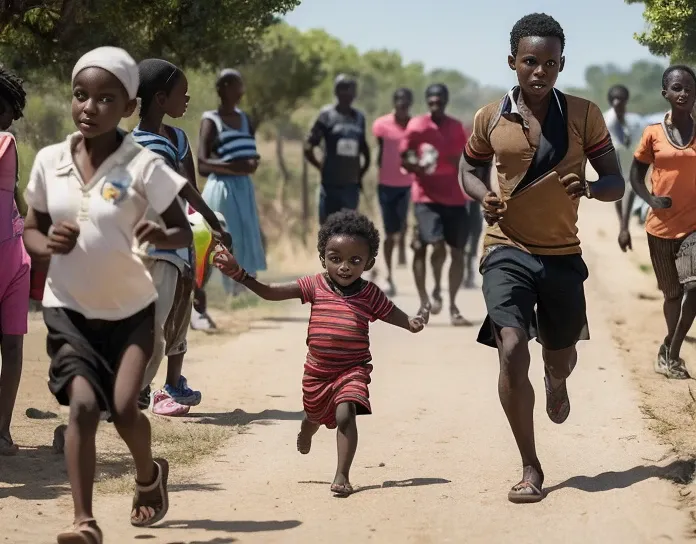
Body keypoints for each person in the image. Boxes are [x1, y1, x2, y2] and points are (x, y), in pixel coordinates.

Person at [22, 47, 192, 542]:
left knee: (123, 408)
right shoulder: (50, 160)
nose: (89, 107)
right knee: (80, 407)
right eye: (81, 95)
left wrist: (161, 236)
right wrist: (44, 246)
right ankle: (84, 521)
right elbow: (32, 228)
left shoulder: (144, 164)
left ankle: (148, 478)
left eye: (105, 98)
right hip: (68, 309)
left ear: (128, 107)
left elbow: (182, 229)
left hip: (131, 310)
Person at [459, 13, 624, 503]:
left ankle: (556, 379)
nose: (539, 71)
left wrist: (592, 188)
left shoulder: (582, 114)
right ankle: (531, 466)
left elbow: (615, 180)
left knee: (561, 355)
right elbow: (468, 167)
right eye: (530, 61)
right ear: (513, 61)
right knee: (511, 346)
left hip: (562, 254)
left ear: (561, 65)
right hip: (505, 248)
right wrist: (480, 194)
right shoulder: (490, 117)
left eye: (550, 63)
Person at [213, 210, 427, 496]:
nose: (344, 267)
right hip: (318, 372)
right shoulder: (314, 285)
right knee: (314, 413)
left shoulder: (370, 294)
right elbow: (270, 292)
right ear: (322, 257)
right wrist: (240, 275)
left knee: (345, 414)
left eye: (355, 260)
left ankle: (342, 475)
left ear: (369, 262)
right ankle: (307, 428)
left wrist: (410, 323)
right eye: (335, 258)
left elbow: (390, 312)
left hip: (353, 369)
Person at [133, 58, 232, 416]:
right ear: (160, 98)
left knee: (178, 312)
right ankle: (137, 388)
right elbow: (178, 186)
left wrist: (203, 228)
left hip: (180, 240)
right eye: (182, 93)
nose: (188, 99)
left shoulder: (177, 137)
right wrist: (214, 222)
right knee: (152, 322)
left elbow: (189, 188)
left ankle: (170, 385)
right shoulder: (134, 143)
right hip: (149, 245)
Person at [618, 65, 696, 380]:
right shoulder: (653, 133)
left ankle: (672, 352)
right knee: (673, 295)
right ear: (665, 93)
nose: (684, 93)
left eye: (690, 88)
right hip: (660, 227)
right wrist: (648, 201)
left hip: (693, 226)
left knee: (694, 288)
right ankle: (668, 347)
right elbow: (635, 176)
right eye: (677, 88)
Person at [400, 83, 471, 326]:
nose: (435, 104)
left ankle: (451, 304)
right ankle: (426, 300)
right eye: (431, 100)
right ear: (427, 102)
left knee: (458, 253)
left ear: (446, 101)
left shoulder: (456, 127)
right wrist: (416, 166)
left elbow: (464, 159)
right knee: (432, 245)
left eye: (439, 100)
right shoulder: (417, 126)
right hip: (426, 198)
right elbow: (405, 155)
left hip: (454, 197)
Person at [199, 69, 266, 295]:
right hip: (223, 187)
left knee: (247, 234)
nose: (241, 91)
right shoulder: (211, 120)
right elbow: (202, 164)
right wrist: (234, 167)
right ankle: (223, 291)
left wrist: (250, 164)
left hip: (243, 187)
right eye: (237, 85)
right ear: (224, 87)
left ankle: (243, 289)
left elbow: (248, 151)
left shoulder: (246, 119)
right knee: (229, 236)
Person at [0, 67, 29, 455]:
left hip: (12, 256)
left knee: (13, 346)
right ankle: (2, 432)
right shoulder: (7, 142)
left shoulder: (6, 141)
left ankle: (2, 432)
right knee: (13, 346)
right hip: (14, 254)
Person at [305, 74, 370, 224]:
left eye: (350, 89)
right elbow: (309, 146)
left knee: (348, 231)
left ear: (355, 93)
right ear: (335, 91)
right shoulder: (326, 115)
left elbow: (364, 149)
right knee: (328, 230)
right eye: (342, 89)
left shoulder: (359, 118)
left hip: (351, 188)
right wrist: (320, 166)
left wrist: (360, 174)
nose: (346, 93)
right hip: (330, 186)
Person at [372, 87, 414, 296]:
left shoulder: (416, 126)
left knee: (404, 226)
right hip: (386, 184)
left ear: (410, 104)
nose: (402, 105)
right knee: (390, 232)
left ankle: (401, 256)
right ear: (394, 102)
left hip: (409, 184)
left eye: (405, 102)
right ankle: (388, 274)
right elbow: (379, 150)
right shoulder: (381, 125)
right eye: (399, 101)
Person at [603, 84, 648, 223]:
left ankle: (627, 222)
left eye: (621, 98)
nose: (618, 101)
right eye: (615, 98)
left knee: (633, 188)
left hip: (630, 160)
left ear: (626, 100)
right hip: (614, 161)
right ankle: (622, 222)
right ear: (611, 101)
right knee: (618, 192)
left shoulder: (634, 120)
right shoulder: (606, 120)